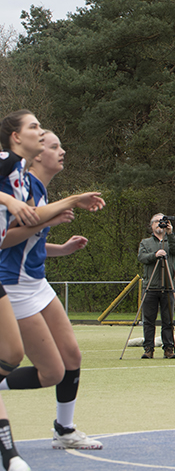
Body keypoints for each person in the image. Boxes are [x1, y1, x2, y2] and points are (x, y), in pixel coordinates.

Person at [0, 117, 106, 451]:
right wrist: (67, 204)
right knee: (51, 372)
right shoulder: (20, 184)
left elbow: (28, 243)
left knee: (72, 355)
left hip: (36, 282)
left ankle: (65, 429)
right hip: (14, 286)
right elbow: (7, 240)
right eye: (54, 145)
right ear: (36, 151)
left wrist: (60, 249)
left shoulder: (40, 189)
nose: (62, 151)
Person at [0, 150, 39, 471]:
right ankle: (12, 460)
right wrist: (8, 201)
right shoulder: (6, 160)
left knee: (12, 353)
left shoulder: (23, 175)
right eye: (34, 127)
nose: (41, 133)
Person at [137, 213, 175, 358]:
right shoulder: (145, 242)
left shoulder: (170, 241)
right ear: (151, 225)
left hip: (168, 286)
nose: (160, 224)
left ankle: (169, 349)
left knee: (168, 320)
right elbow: (141, 258)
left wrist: (171, 233)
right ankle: (148, 349)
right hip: (150, 286)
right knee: (148, 320)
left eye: (162, 221)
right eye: (157, 221)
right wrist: (155, 255)